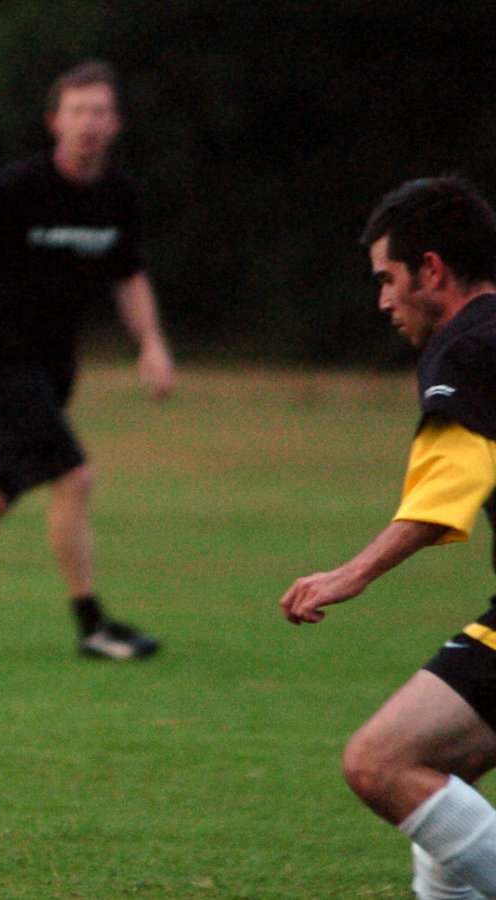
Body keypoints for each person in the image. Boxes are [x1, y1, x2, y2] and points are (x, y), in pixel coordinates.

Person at [0, 60, 175, 660]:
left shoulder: (117, 197)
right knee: (74, 476)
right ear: (55, 122)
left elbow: (130, 276)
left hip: (56, 369)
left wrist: (151, 343)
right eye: (77, 112)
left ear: (116, 123)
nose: (89, 124)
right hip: (3, 360)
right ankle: (93, 626)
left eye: (99, 112)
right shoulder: (19, 187)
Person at [281, 176, 496, 900]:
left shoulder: (464, 347)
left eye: (387, 279)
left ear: (431, 271)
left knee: (382, 761)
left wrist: (353, 573)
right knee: (437, 772)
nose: (381, 300)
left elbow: (447, 489)